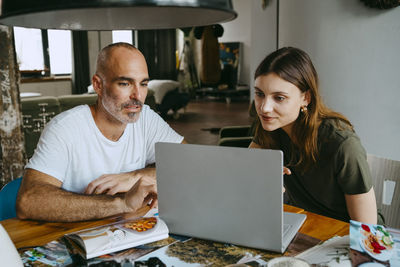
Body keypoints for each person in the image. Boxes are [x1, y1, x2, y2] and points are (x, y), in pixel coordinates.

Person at [16, 42, 185, 222]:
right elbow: (28, 202)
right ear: (98, 85)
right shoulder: (64, 128)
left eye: (143, 84)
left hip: (129, 230)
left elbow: (188, 161)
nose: (138, 96)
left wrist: (137, 176)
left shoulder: (146, 119)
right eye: (125, 83)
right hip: (75, 236)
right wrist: (121, 203)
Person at [250, 47, 377, 223]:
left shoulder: (342, 145)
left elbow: (367, 229)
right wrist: (260, 178)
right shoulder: (270, 124)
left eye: (279, 98)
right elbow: (246, 173)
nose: (264, 108)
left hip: (346, 238)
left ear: (306, 98)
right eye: (259, 94)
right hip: (304, 227)